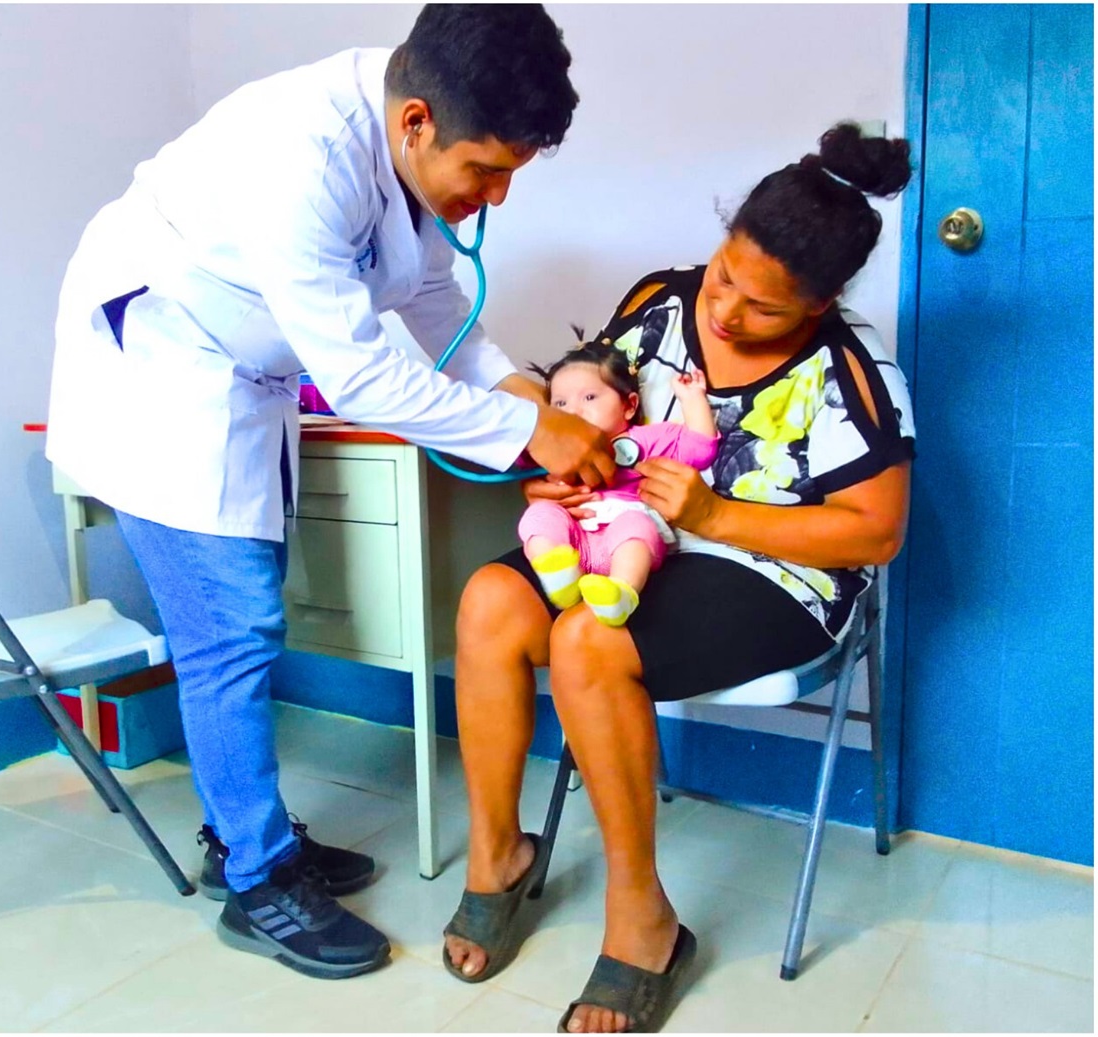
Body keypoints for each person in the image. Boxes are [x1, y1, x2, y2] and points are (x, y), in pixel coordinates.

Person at [46, 4, 617, 982]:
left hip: (237, 380)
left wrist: (517, 384)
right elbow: (359, 377)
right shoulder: (300, 154)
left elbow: (436, 304)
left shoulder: (403, 143)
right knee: (229, 636)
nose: (495, 197)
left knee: (243, 623)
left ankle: (251, 834)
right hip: (159, 377)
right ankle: (256, 880)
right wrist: (534, 430)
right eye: (487, 170)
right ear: (418, 123)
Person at [442, 122, 915, 1032]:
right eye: (726, 273)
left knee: (589, 636)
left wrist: (710, 516)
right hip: (628, 534)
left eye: (764, 307)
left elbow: (877, 533)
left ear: (820, 305)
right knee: (491, 599)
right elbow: (595, 408)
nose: (727, 312)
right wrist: (566, 461)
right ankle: (497, 856)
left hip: (775, 572)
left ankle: (643, 922)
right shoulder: (663, 300)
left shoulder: (852, 370)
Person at [519, 340, 718, 627]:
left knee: (637, 525)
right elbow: (517, 458)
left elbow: (701, 449)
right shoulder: (554, 448)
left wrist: (692, 399)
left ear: (629, 405)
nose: (572, 411)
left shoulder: (644, 439)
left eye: (589, 398)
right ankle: (558, 575)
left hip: (622, 539)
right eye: (560, 403)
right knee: (538, 517)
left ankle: (621, 593)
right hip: (574, 541)